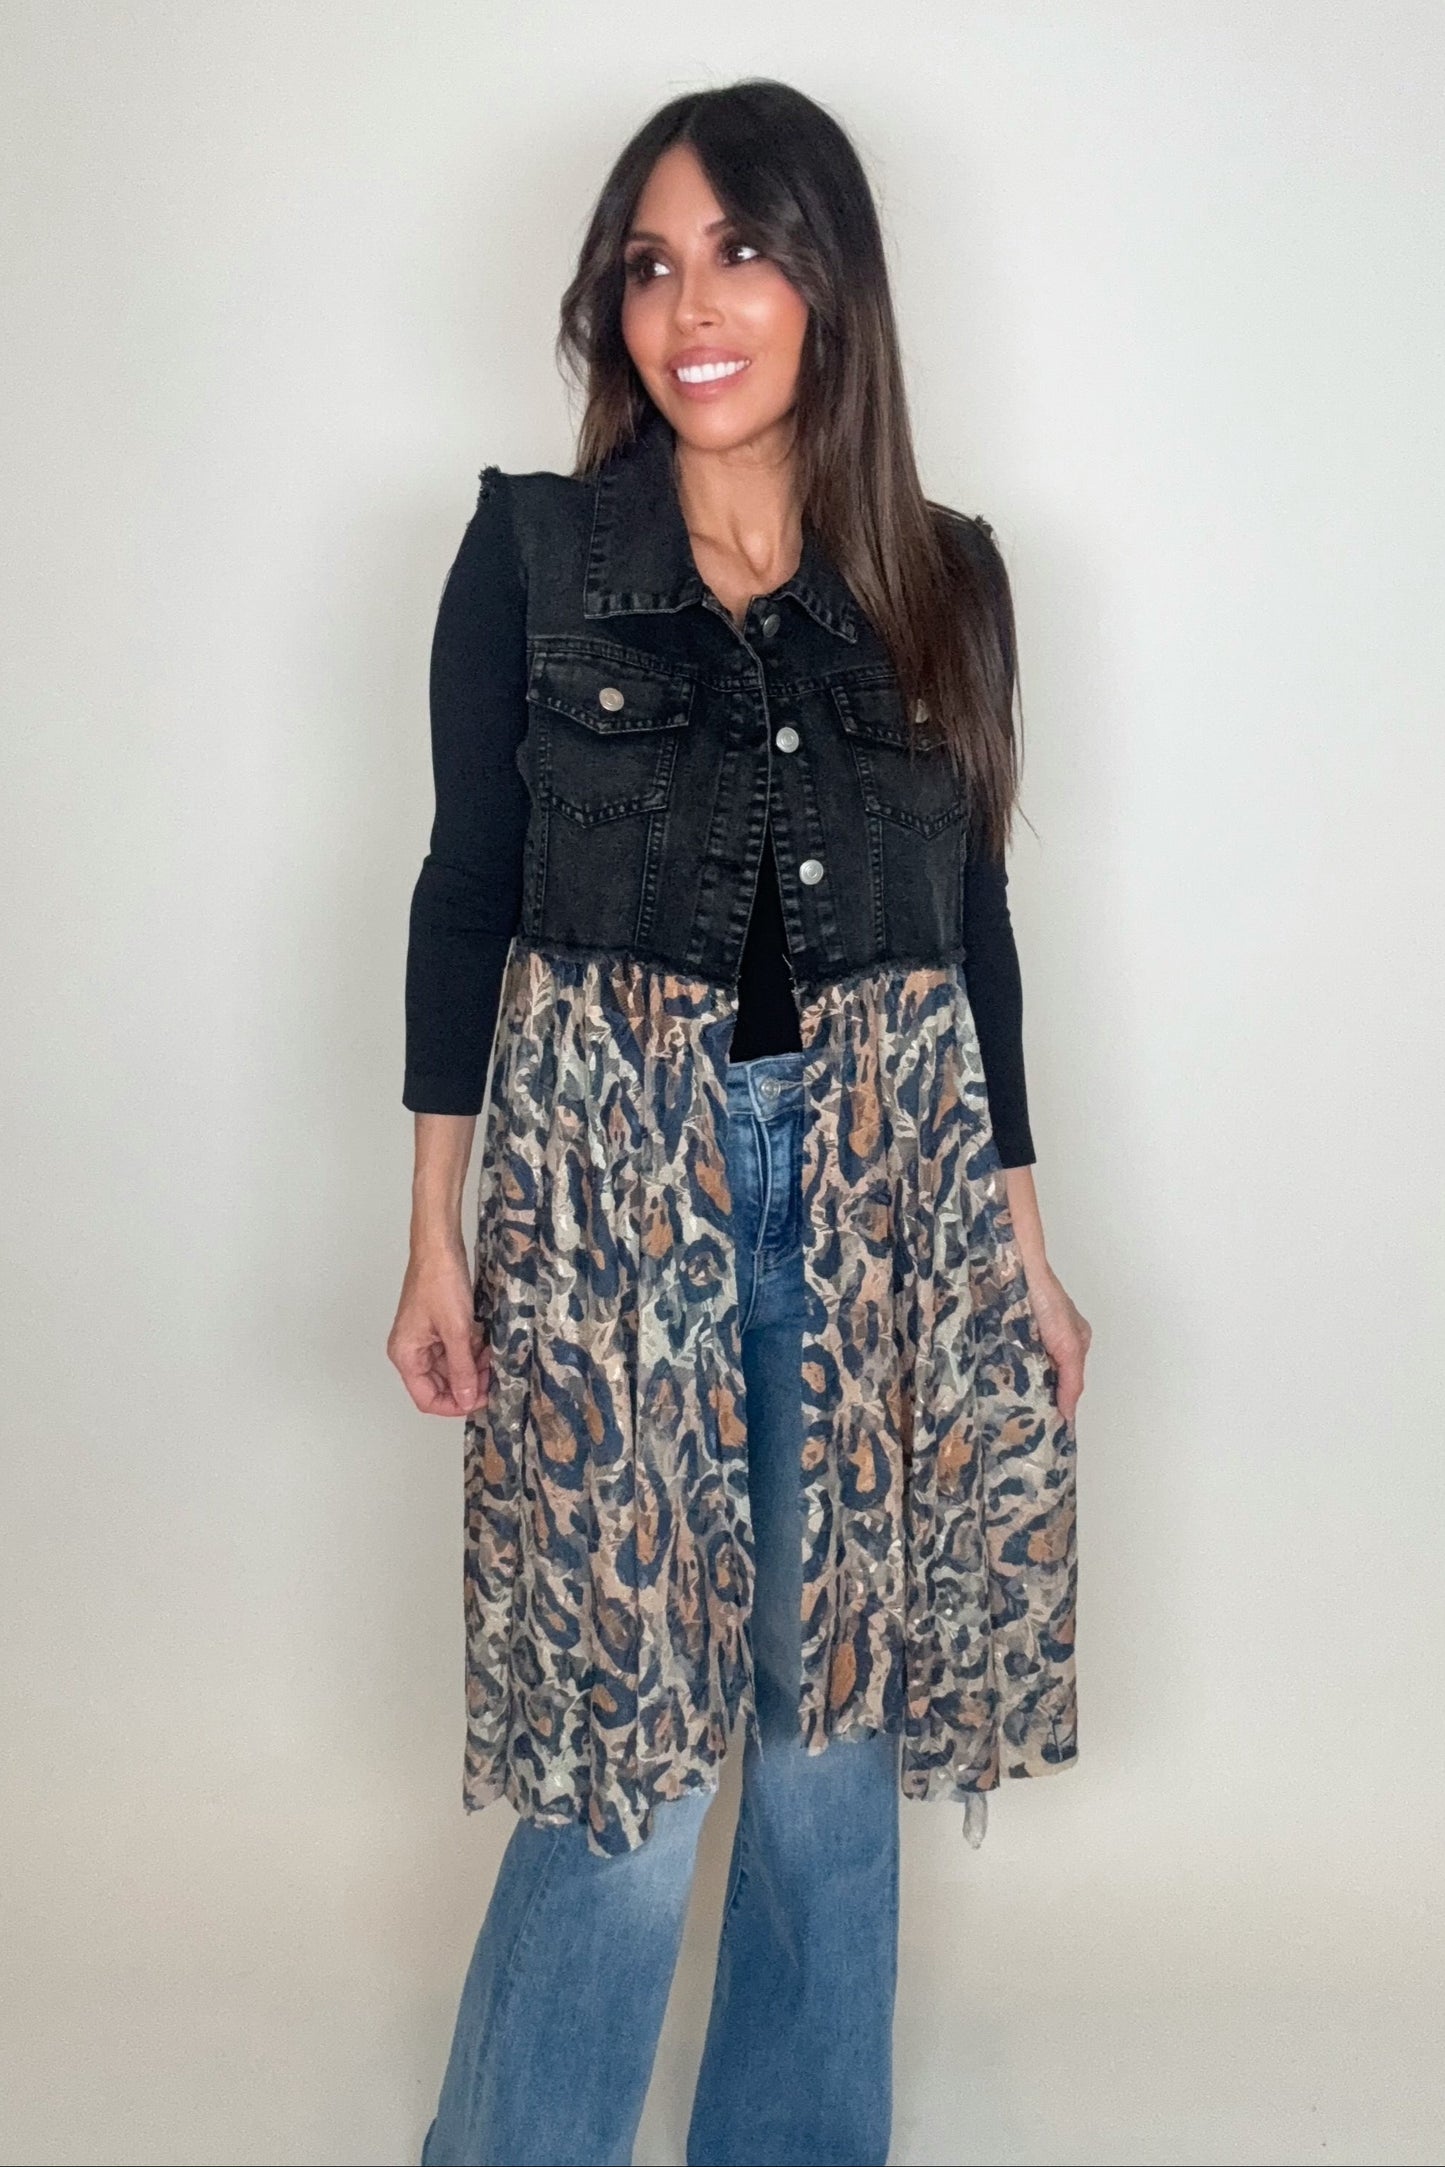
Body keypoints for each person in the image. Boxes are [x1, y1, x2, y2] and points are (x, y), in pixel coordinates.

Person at [388, 76, 1091, 2167]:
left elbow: (976, 931)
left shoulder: (944, 580)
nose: (692, 306)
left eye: (742, 252)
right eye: (652, 264)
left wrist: (1027, 1255)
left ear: (831, 290)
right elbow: (465, 884)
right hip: (609, 1202)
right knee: (630, 1770)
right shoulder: (533, 547)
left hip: (889, 1206)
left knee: (824, 1755)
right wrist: (438, 1231)